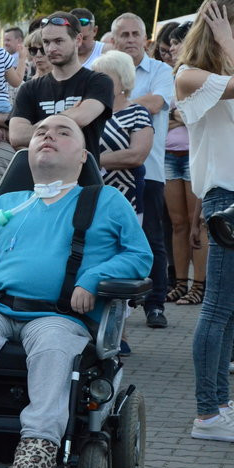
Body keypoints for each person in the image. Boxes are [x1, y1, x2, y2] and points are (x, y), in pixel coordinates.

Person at [0, 115, 152, 468]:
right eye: (40, 133)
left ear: (83, 157)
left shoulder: (105, 201)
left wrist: (94, 278)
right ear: (28, 151)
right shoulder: (10, 203)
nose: (49, 135)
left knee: (53, 347)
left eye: (63, 132)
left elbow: (140, 257)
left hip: (60, 315)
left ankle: (41, 442)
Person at [174, 0, 234, 442]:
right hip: (225, 198)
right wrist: (228, 42)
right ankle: (207, 414)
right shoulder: (189, 75)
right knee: (216, 307)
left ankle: (221, 403)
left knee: (229, 310)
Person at [112, 12, 175, 329]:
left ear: (145, 39)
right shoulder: (105, 71)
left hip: (148, 169)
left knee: (152, 238)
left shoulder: (161, 70)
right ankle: (119, 302)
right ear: (114, 39)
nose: (131, 40)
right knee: (112, 238)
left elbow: (156, 102)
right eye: (124, 34)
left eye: (136, 34)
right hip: (108, 174)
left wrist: (118, 102)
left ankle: (156, 303)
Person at [10, 12, 114, 163]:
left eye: (59, 41)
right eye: (46, 42)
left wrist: (37, 128)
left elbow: (83, 117)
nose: (51, 48)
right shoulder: (30, 88)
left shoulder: (98, 81)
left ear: (78, 40)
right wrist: (69, 117)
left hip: (84, 178)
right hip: (39, 179)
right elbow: (16, 136)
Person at [164, 22, 206, 306]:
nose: (172, 48)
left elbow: (199, 118)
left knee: (197, 223)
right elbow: (161, 118)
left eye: (177, 42)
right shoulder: (169, 76)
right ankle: (180, 282)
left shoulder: (201, 75)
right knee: (178, 223)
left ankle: (199, 285)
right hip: (169, 156)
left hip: (195, 155)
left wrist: (178, 118)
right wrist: (179, 118)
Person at [93, 50, 154, 218]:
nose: (98, 83)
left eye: (104, 78)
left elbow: (136, 156)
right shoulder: (88, 112)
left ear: (123, 79)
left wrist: (89, 161)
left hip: (126, 199)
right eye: (95, 77)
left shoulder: (137, 113)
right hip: (89, 196)